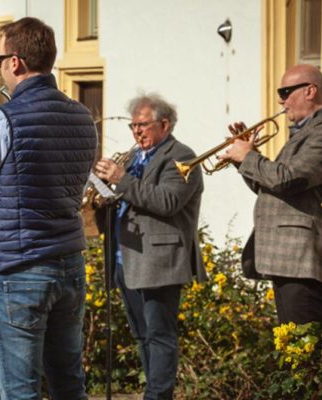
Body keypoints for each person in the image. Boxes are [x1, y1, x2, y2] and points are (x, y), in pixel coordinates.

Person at [0, 17, 97, 399]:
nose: (0, 68)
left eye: (0, 59)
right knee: (69, 386)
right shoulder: (83, 116)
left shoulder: (1, 120)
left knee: (20, 392)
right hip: (69, 264)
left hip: (19, 270)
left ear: (14, 62)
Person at [218, 64, 322, 328]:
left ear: (310, 91)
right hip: (288, 259)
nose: (280, 99)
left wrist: (249, 156)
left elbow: (286, 179)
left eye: (285, 91)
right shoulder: (306, 134)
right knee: (294, 350)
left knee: (307, 353)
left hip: (303, 259)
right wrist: (241, 160)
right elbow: (269, 187)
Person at [94, 93, 207, 400]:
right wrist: (104, 196)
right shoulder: (132, 158)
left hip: (160, 260)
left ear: (164, 124)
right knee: (141, 334)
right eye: (133, 126)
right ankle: (153, 392)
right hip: (126, 259)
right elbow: (128, 199)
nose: (136, 132)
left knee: (160, 336)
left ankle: (157, 396)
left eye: (143, 125)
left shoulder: (182, 157)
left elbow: (167, 201)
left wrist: (121, 180)